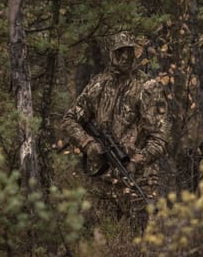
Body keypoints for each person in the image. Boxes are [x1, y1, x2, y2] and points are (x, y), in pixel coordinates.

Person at [62, 31, 168, 231]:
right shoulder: (98, 85)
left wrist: (138, 160)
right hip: (103, 183)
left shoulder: (148, 87)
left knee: (140, 245)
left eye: (129, 51)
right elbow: (69, 120)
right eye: (120, 51)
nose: (125, 57)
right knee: (102, 245)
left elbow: (160, 139)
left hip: (139, 180)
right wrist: (88, 143)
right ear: (110, 54)